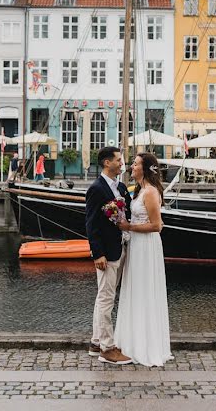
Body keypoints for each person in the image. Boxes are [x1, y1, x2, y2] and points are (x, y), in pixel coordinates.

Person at [115, 151, 173, 367]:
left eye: (136, 164)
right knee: (135, 291)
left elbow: (157, 226)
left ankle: (146, 346)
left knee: (145, 291)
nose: (132, 166)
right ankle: (132, 341)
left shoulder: (149, 192)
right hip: (136, 245)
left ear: (145, 168)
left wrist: (129, 227)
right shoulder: (139, 191)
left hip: (147, 245)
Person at [84, 146, 132, 365]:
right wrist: (97, 253)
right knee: (106, 299)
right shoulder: (96, 188)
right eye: (118, 160)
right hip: (106, 253)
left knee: (103, 296)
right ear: (107, 163)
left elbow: (126, 214)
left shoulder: (121, 187)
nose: (122, 163)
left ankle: (96, 342)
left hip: (120, 247)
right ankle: (107, 348)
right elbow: (91, 223)